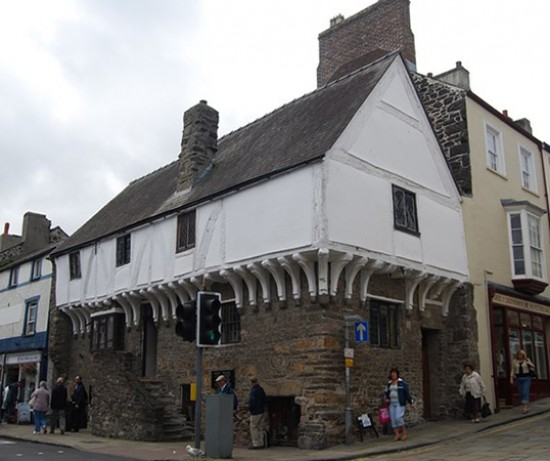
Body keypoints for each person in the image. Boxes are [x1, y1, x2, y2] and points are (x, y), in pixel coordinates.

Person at [384, 367, 414, 441]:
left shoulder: (402, 383)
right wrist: (387, 398)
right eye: (392, 374)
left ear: (397, 374)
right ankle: (397, 435)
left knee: (398, 417)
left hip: (399, 403)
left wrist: (411, 402)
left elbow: (407, 393)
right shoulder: (389, 383)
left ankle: (404, 433)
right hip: (392, 403)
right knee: (393, 420)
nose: (393, 375)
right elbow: (387, 392)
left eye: (394, 373)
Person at [510, 349, 536, 414]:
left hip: (526, 378)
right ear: (517, 355)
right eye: (519, 354)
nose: (520, 356)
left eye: (522, 354)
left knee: (525, 391)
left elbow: (533, 366)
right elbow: (512, 370)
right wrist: (511, 378)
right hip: (518, 378)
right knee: (521, 392)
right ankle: (525, 404)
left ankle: (525, 407)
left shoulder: (527, 360)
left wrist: (528, 362)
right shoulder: (514, 361)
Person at [247, 377, 267, 450]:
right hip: (262, 411)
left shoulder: (253, 391)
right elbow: (265, 399)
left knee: (253, 427)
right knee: (260, 428)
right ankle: (261, 443)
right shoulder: (261, 389)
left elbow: (252, 402)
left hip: (255, 412)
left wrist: (250, 410)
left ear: (252, 382)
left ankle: (256, 444)